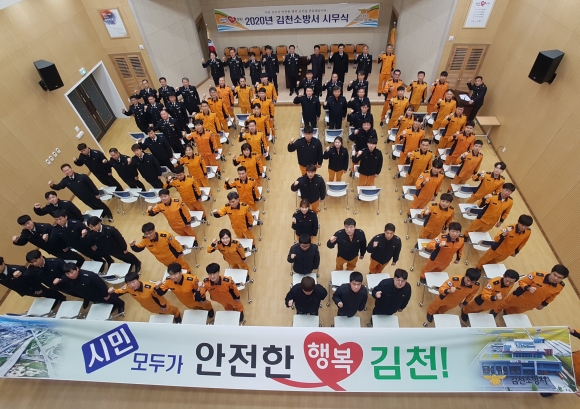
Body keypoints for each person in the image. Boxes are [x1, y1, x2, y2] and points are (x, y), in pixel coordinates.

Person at [494, 265, 568, 315]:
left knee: (516, 311)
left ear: (563, 279)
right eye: (554, 275)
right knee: (504, 304)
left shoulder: (560, 286)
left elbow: (552, 296)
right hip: (519, 297)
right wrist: (528, 288)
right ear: (551, 272)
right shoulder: (536, 275)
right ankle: (495, 311)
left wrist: (543, 305)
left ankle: (507, 314)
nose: (555, 278)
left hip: (531, 304)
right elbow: (522, 281)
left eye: (559, 277)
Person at [110, 271, 181, 323]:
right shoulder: (127, 287)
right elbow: (118, 292)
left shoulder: (150, 288)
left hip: (160, 305)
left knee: (171, 310)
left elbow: (159, 297)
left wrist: (163, 306)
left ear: (138, 279)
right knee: (161, 313)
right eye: (129, 283)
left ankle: (177, 314)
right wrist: (111, 291)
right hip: (149, 307)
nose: (132, 285)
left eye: (133, 282)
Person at [55, 263, 125, 312]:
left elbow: (101, 285)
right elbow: (63, 287)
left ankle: (120, 304)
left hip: (99, 294)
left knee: (111, 299)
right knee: (103, 302)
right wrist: (57, 283)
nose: (70, 275)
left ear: (77, 269)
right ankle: (113, 305)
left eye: (72, 272)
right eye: (67, 273)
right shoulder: (65, 278)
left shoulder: (90, 276)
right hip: (88, 295)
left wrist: (105, 295)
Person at [12, 215, 80, 261]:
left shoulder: (45, 227)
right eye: (24, 225)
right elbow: (23, 241)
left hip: (59, 246)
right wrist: (16, 241)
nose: (27, 226)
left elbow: (59, 236)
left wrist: (64, 246)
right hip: (50, 250)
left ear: (31, 220)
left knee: (72, 255)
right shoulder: (25, 232)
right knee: (63, 259)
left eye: (28, 223)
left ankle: (81, 261)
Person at [0, 256, 64, 301]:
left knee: (48, 292)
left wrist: (38, 288)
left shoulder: (18, 269)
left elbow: (32, 278)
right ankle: (53, 301)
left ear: (3, 263)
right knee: (44, 295)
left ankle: (61, 298)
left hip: (32, 287)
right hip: (24, 290)